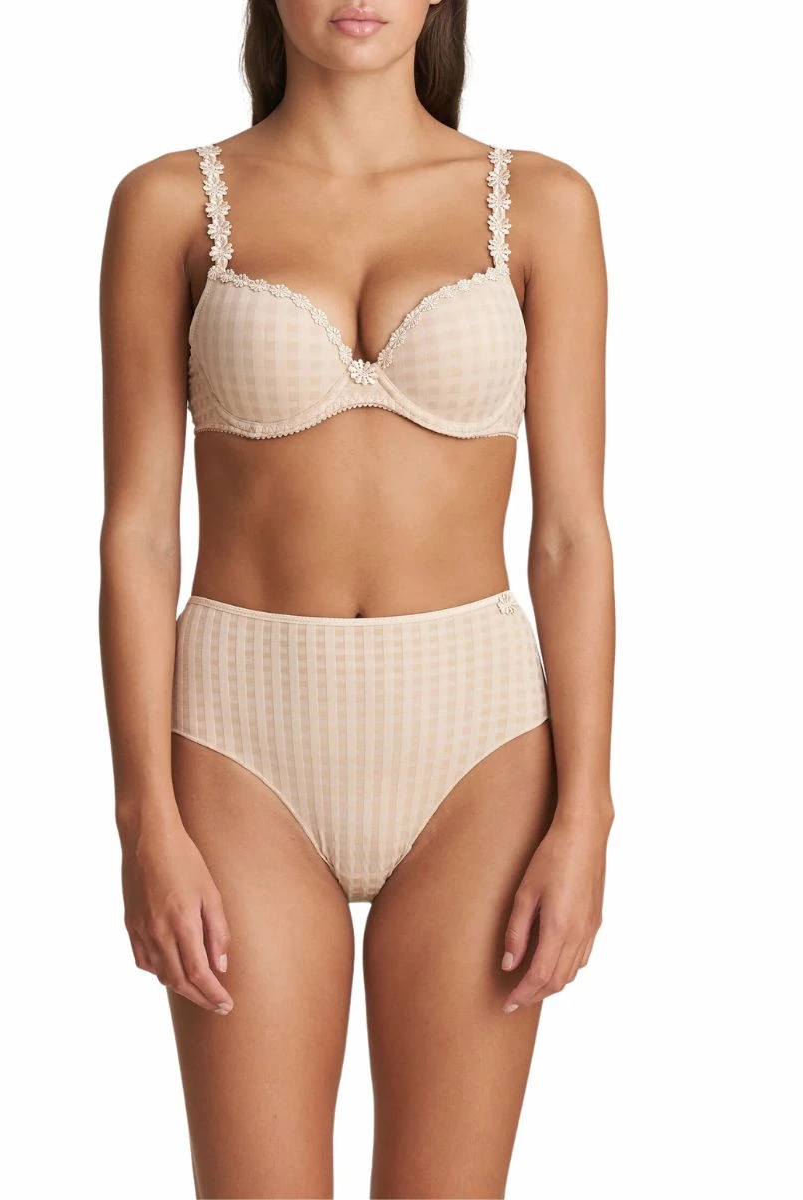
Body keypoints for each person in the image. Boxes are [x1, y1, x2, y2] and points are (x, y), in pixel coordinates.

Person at [98, 1, 614, 1195]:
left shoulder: (545, 204)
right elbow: (137, 535)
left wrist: (587, 814)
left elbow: (572, 537)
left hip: (480, 758)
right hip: (239, 754)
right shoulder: (168, 205)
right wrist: (144, 821)